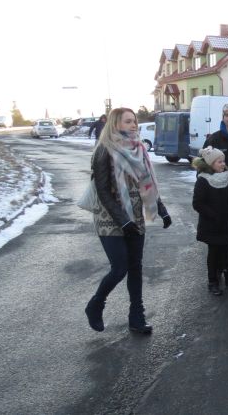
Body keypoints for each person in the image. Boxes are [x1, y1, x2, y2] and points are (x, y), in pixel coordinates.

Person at [84, 108, 173, 335]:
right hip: (109, 217)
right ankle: (96, 304)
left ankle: (136, 316)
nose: (134, 125)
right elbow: (103, 191)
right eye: (128, 121)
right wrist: (122, 220)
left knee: (135, 267)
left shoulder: (139, 149)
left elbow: (148, 183)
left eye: (135, 121)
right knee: (120, 267)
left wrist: (161, 209)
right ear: (115, 124)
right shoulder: (104, 151)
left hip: (135, 216)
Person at [192, 146, 228, 296]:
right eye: (219, 162)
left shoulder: (227, 177)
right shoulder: (203, 180)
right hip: (211, 224)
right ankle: (213, 281)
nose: (223, 164)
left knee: (227, 252)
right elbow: (198, 203)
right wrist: (213, 215)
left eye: (223, 161)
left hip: (227, 223)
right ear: (210, 164)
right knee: (214, 253)